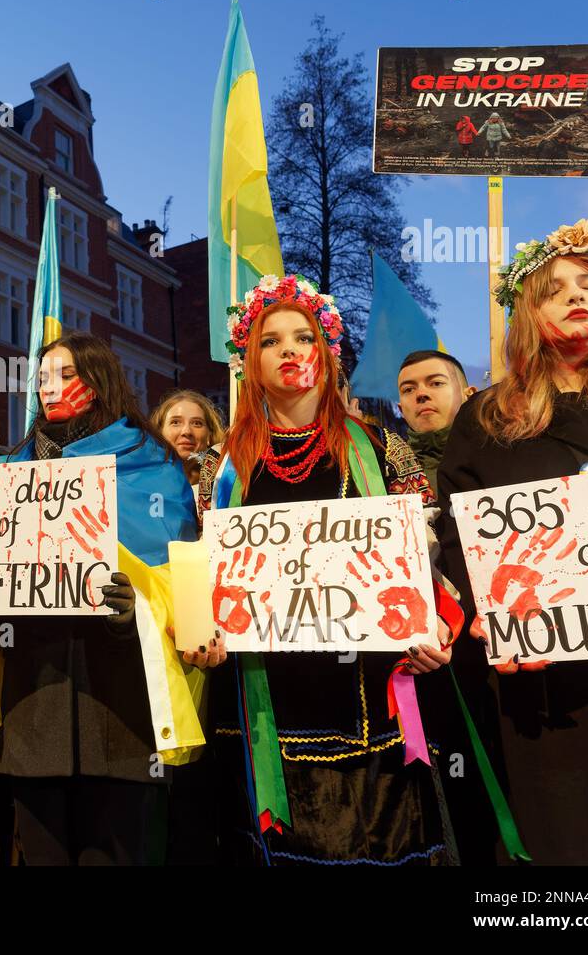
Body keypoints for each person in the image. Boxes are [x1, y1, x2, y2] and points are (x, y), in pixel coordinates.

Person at [199, 274, 456, 866]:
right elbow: (199, 571)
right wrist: (197, 630)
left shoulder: (379, 446)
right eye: (270, 341)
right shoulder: (224, 465)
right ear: (249, 361)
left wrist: (436, 624)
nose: (289, 350)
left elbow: (424, 553)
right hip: (264, 707)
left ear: (326, 351)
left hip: (370, 705)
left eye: (302, 336)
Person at [436, 217, 588, 865]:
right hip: (546, 700)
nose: (576, 295)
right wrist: (491, 612)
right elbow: (459, 527)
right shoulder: (486, 421)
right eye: (555, 289)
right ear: (528, 315)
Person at [0, 333, 220, 865]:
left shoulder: (153, 464)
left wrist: (134, 611)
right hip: (35, 705)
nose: (51, 388)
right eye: (44, 377)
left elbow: (182, 572)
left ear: (97, 381)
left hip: (121, 711)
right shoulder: (10, 469)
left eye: (66, 375)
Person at [397, 350, 478, 494]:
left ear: (469, 396)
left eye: (436, 383)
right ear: (401, 409)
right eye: (408, 389)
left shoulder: (503, 458)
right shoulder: (384, 475)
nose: (421, 394)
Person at [151, 388, 226, 488]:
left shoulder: (224, 484)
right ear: (159, 433)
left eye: (197, 423)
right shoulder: (142, 485)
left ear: (209, 435)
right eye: (176, 422)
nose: (187, 431)